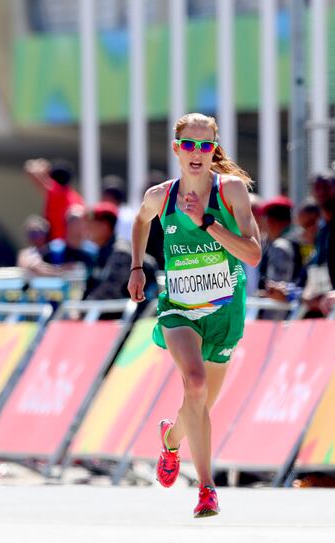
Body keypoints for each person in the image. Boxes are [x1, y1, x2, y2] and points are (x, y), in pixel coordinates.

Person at [127, 112, 261, 518]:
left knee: (198, 403)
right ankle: (206, 489)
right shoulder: (160, 196)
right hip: (179, 309)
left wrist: (206, 223)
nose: (197, 153)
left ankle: (170, 439)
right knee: (196, 384)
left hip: (223, 312)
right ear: (177, 149)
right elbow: (140, 221)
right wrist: (137, 266)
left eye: (206, 146)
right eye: (190, 145)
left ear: (213, 149)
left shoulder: (231, 192)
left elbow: (253, 254)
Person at [24, 158, 85, 241]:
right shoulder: (75, 196)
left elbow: (30, 169)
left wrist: (45, 168)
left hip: (58, 244)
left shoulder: (56, 192)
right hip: (71, 244)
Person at [257, 196, 303, 301]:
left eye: (265, 218)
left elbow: (275, 289)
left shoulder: (280, 246)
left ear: (271, 221)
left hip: (280, 312)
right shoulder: (296, 239)